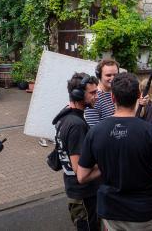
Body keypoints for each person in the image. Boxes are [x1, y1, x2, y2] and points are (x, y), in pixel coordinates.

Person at [77, 72, 152, 230]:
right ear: (138, 95)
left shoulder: (95, 132)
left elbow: (82, 176)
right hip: (146, 214)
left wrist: (107, 165)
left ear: (113, 98)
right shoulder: (149, 131)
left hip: (112, 214)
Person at [52, 73, 99, 231]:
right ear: (78, 95)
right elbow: (80, 173)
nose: (96, 97)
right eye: (92, 93)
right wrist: (106, 166)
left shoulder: (65, 117)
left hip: (76, 191)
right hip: (84, 194)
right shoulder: (77, 125)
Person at [84, 59, 119, 127]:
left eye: (115, 75)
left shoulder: (118, 92)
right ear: (99, 76)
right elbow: (93, 129)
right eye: (108, 75)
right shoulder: (94, 97)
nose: (113, 78)